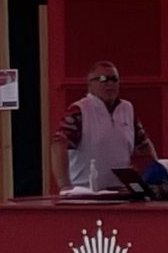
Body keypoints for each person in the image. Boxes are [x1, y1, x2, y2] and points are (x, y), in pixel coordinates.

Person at [50, 61, 157, 193]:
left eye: (114, 79)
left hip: (121, 191)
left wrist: (156, 176)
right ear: (90, 83)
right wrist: (64, 185)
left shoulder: (127, 109)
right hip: (86, 191)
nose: (110, 84)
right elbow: (58, 144)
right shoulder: (80, 110)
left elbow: (144, 145)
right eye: (102, 79)